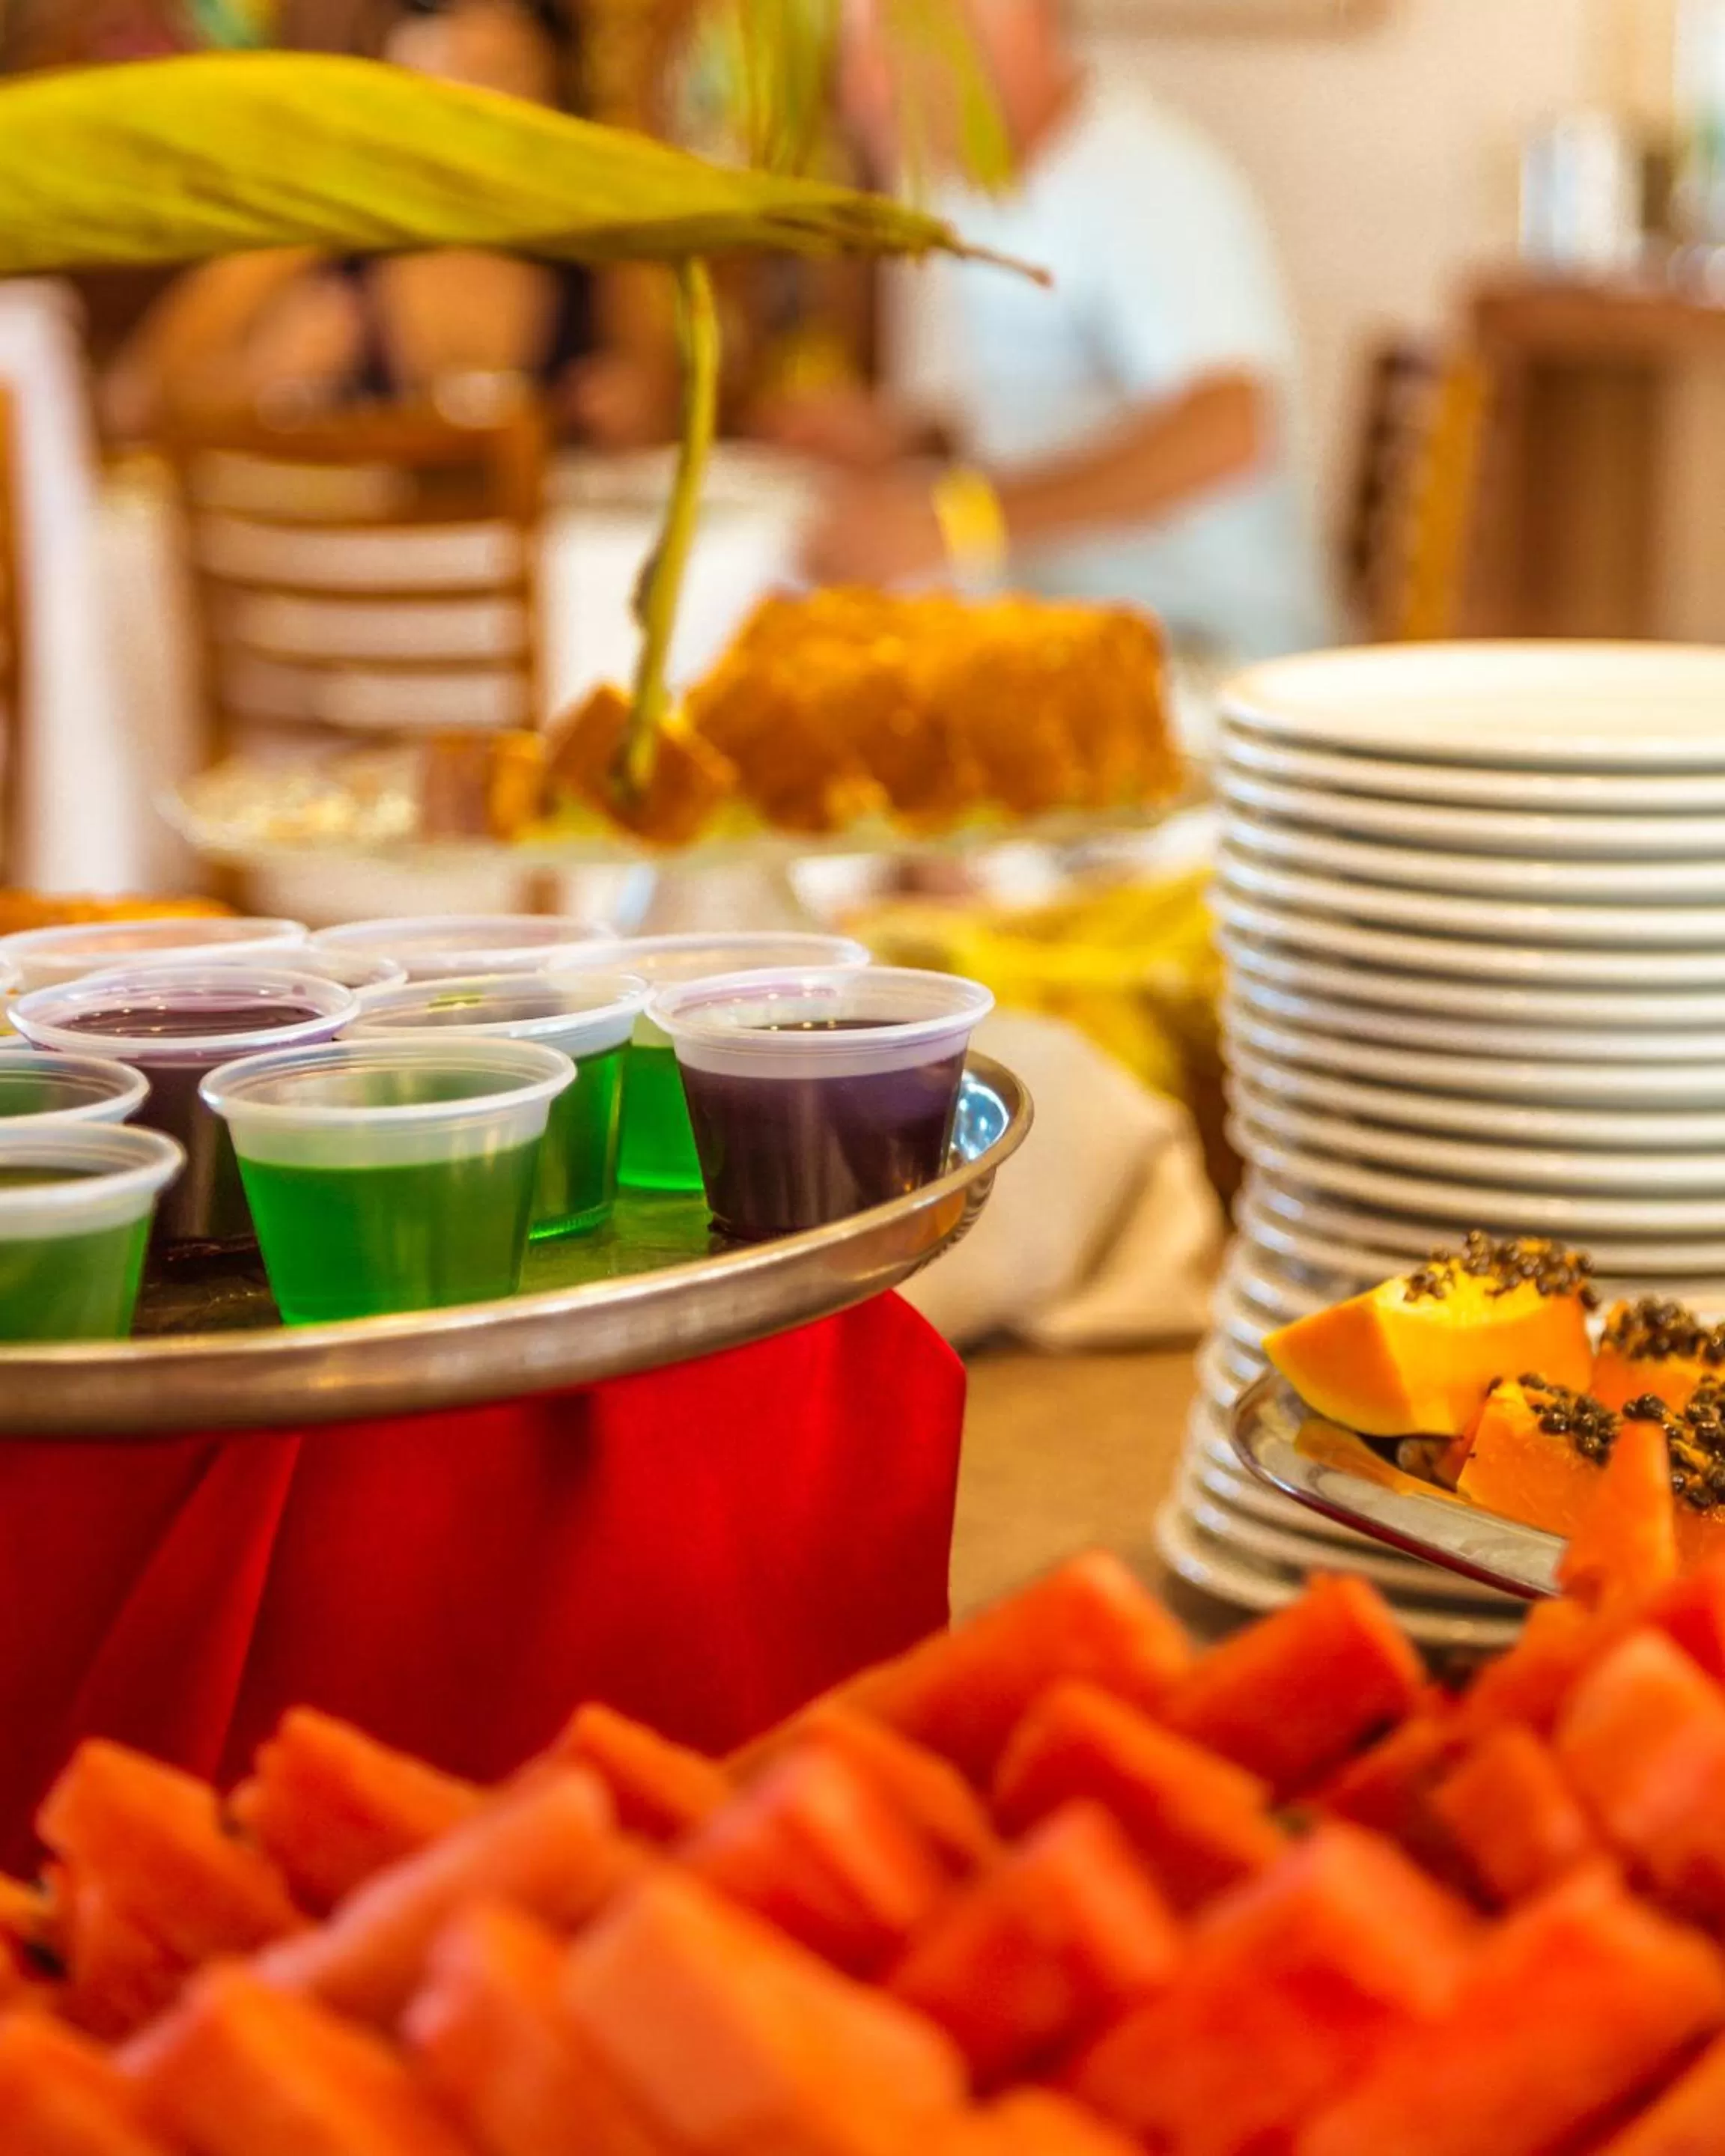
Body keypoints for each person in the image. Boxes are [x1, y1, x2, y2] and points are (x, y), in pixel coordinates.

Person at [774, 0, 1333, 665]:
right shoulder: (982, 186)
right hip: (1069, 623)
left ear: (1015, 20)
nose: (860, 89)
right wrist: (907, 438)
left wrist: (958, 522)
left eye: (890, 42)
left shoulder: (1142, 178)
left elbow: (1230, 426)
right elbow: (1047, 419)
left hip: (1202, 649)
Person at [102, 0, 674, 447]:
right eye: (452, 78)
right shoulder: (321, 230)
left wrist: (632, 414)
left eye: (505, 78)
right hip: (345, 580)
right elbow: (131, 403)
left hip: (549, 577)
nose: (477, 114)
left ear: (554, 97)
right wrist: (256, 386)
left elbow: (668, 415)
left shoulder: (598, 254)